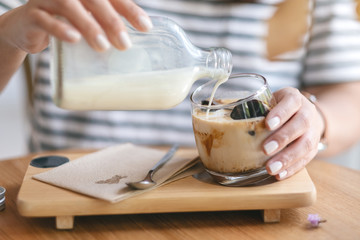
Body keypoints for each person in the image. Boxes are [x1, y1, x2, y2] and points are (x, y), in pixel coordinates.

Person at [1, 0, 360, 181]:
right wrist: (9, 34)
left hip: (237, 199)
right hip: (68, 184)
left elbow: (349, 93)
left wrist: (315, 119)